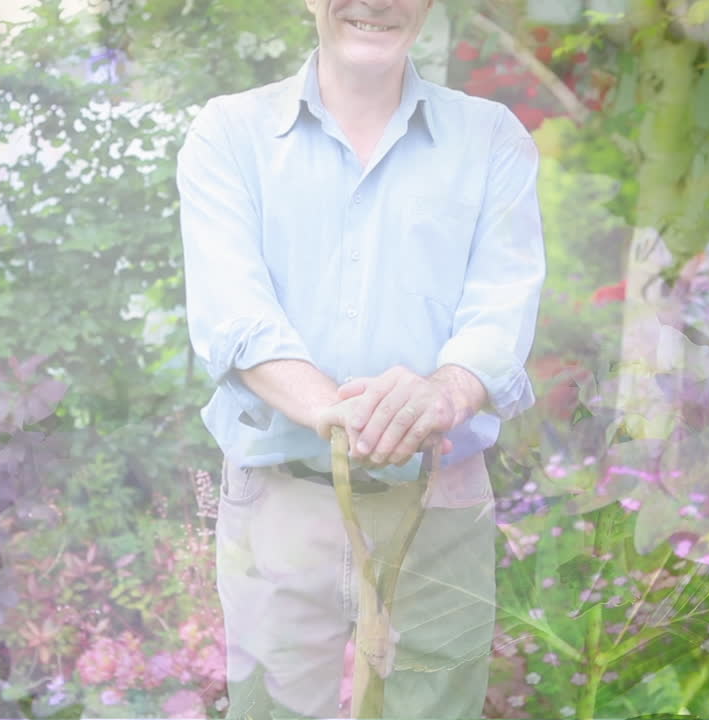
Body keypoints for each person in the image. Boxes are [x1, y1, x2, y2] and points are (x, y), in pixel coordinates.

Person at [176, 0, 546, 716]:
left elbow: (500, 314)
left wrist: (441, 395)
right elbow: (234, 315)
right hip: (278, 505)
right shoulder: (229, 133)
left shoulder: (491, 138)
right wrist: (339, 411)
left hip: (442, 506)